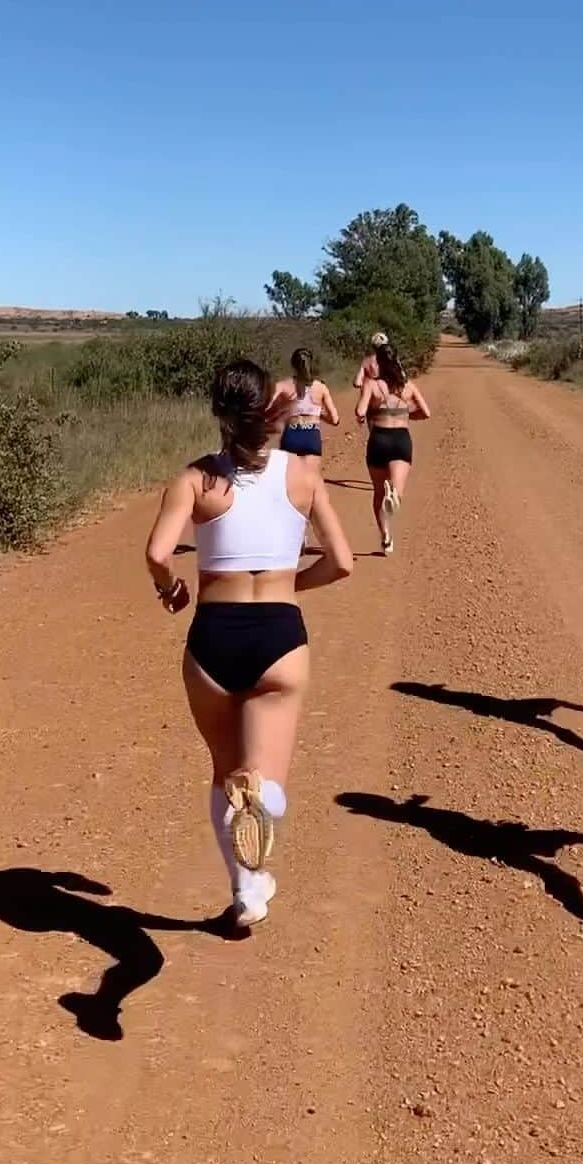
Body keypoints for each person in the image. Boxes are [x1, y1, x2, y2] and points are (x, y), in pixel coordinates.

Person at [145, 360, 353, 931]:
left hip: (212, 637)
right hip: (278, 636)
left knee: (223, 770)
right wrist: (290, 586)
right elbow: (342, 563)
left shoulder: (196, 479)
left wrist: (172, 590)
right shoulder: (303, 477)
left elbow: (159, 554)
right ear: (267, 409)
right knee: (265, 780)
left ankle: (245, 890)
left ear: (217, 412)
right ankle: (262, 809)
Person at [355, 343, 430, 554]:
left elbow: (360, 411)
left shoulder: (372, 384)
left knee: (378, 492)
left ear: (377, 362)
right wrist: (405, 415)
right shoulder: (408, 386)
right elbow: (426, 412)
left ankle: (385, 535)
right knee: (396, 491)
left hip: (378, 439)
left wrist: (370, 412)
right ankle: (395, 495)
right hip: (400, 440)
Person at [270, 347, 340, 458]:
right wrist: (319, 413)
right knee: (310, 474)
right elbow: (335, 420)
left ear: (293, 365)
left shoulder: (282, 385)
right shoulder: (321, 387)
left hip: (291, 435)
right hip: (312, 436)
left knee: (290, 474)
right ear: (311, 363)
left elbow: (267, 408)